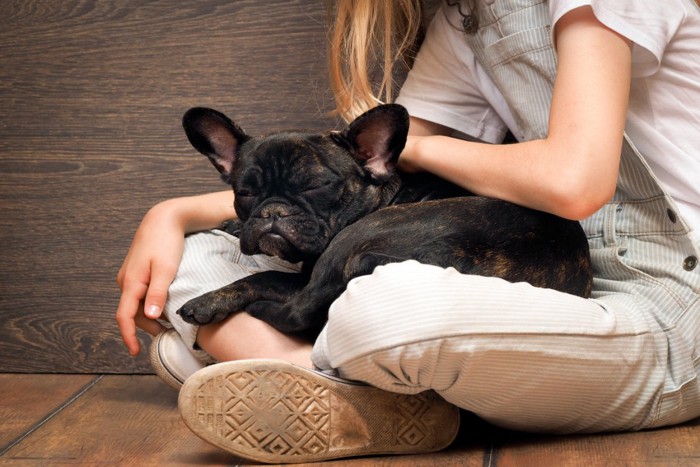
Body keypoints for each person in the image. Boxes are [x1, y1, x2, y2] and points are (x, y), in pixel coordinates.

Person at [116, 0, 700, 463]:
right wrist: (172, 214)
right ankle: (328, 381)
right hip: (550, 299)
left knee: (387, 305)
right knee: (199, 257)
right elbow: (339, 181)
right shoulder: (466, 19)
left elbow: (576, 183)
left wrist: (421, 148)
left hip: (670, 308)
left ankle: (276, 363)